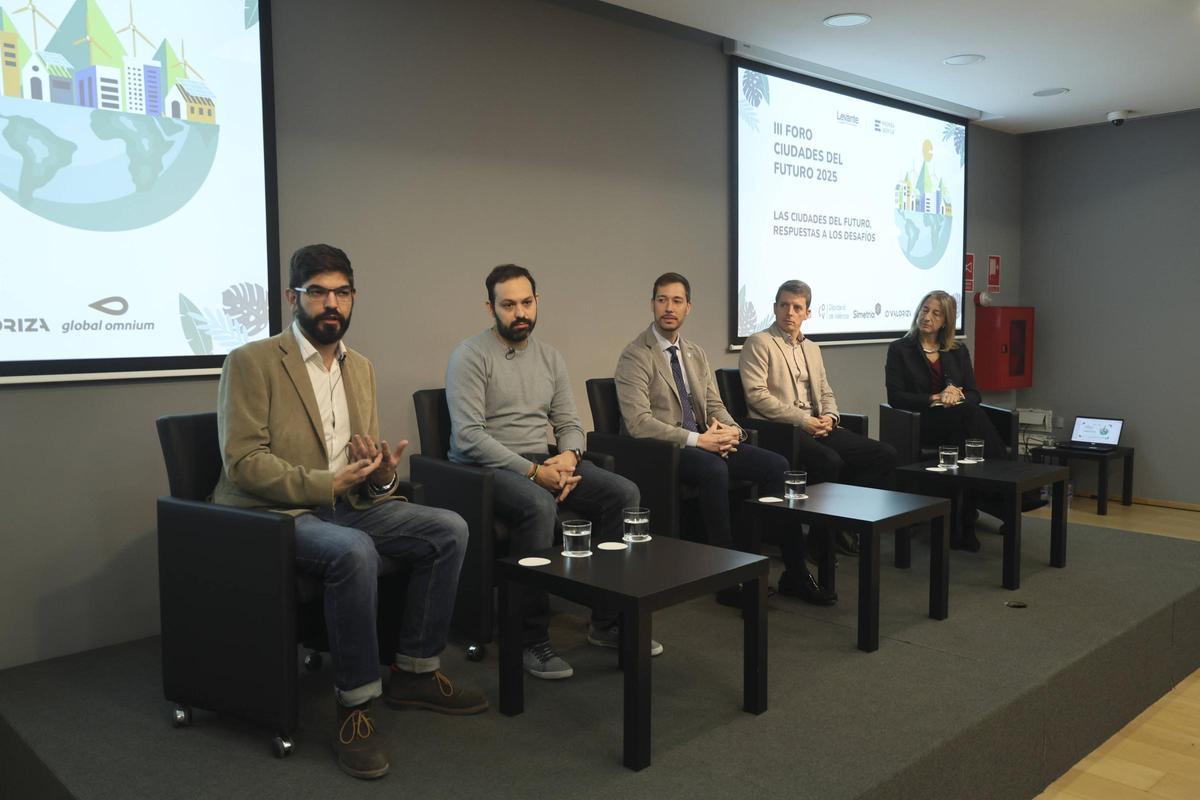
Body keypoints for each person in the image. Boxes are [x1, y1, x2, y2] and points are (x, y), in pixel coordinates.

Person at [214, 244, 486, 781]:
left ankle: (415, 670)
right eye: (317, 292)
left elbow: (364, 468)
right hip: (277, 515)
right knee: (355, 551)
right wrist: (324, 482)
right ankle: (356, 704)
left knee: (449, 528)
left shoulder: (360, 367)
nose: (330, 303)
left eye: (340, 292)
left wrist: (381, 471)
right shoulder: (252, 361)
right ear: (294, 298)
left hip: (349, 505)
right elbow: (242, 463)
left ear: (354, 298)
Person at [446, 264, 646, 681]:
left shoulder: (550, 357)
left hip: (545, 461)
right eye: (508, 304)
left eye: (526, 302)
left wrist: (570, 457)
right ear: (490, 307)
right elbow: (469, 438)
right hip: (487, 470)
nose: (519, 312)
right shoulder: (469, 356)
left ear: (537, 302)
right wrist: (536, 473)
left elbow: (570, 422)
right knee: (539, 506)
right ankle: (528, 638)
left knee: (623, 493)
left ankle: (606, 620)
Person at [614, 272, 834, 605]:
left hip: (706, 439)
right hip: (665, 450)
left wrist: (734, 431)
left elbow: (714, 404)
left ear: (688, 307)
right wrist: (696, 440)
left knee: (777, 466)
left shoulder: (694, 353)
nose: (668, 308)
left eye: (676, 301)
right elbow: (638, 423)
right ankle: (728, 581)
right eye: (662, 300)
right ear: (652, 304)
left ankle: (795, 570)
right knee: (713, 469)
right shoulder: (635, 355)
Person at [739, 280, 899, 556]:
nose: (790, 312)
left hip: (817, 425)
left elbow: (825, 392)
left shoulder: (812, 348)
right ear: (775, 308)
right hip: (782, 429)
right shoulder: (759, 342)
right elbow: (757, 396)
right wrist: (803, 420)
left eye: (797, 307)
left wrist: (830, 417)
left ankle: (843, 524)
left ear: (807, 313)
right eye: (784, 305)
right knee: (829, 461)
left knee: (884, 454)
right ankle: (818, 540)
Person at [884, 289, 1007, 549]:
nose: (927, 316)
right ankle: (1004, 482)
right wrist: (936, 398)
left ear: (945, 322)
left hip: (958, 423)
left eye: (935, 313)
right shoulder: (900, 349)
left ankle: (961, 522)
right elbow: (896, 397)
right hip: (923, 422)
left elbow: (975, 393)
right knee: (969, 420)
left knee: (966, 435)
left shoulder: (957, 351)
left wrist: (957, 393)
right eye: (924, 309)